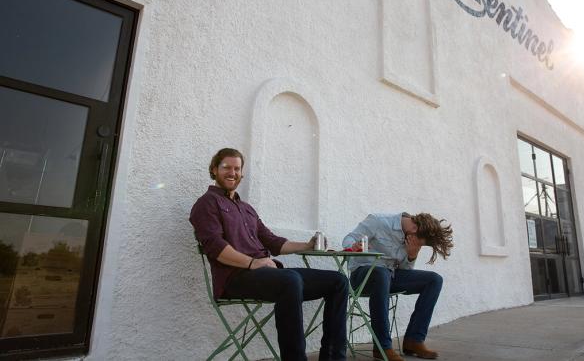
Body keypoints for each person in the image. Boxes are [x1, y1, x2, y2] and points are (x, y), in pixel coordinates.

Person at [190, 148, 348, 361]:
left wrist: (307, 244)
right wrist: (253, 263)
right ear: (214, 170)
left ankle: (332, 357)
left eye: (237, 168)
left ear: (241, 174)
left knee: (338, 281)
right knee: (290, 281)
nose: (232, 172)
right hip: (234, 278)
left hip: (267, 275)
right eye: (226, 167)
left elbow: (273, 242)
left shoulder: (247, 208)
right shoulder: (206, 203)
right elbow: (215, 247)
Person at [343, 212, 453, 361]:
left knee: (434, 280)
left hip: (390, 276)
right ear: (414, 228)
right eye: (420, 242)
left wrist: (411, 255)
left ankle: (414, 341)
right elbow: (348, 238)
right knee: (381, 274)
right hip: (363, 275)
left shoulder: (412, 237)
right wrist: (353, 246)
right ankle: (382, 346)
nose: (419, 245)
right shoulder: (378, 221)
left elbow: (404, 270)